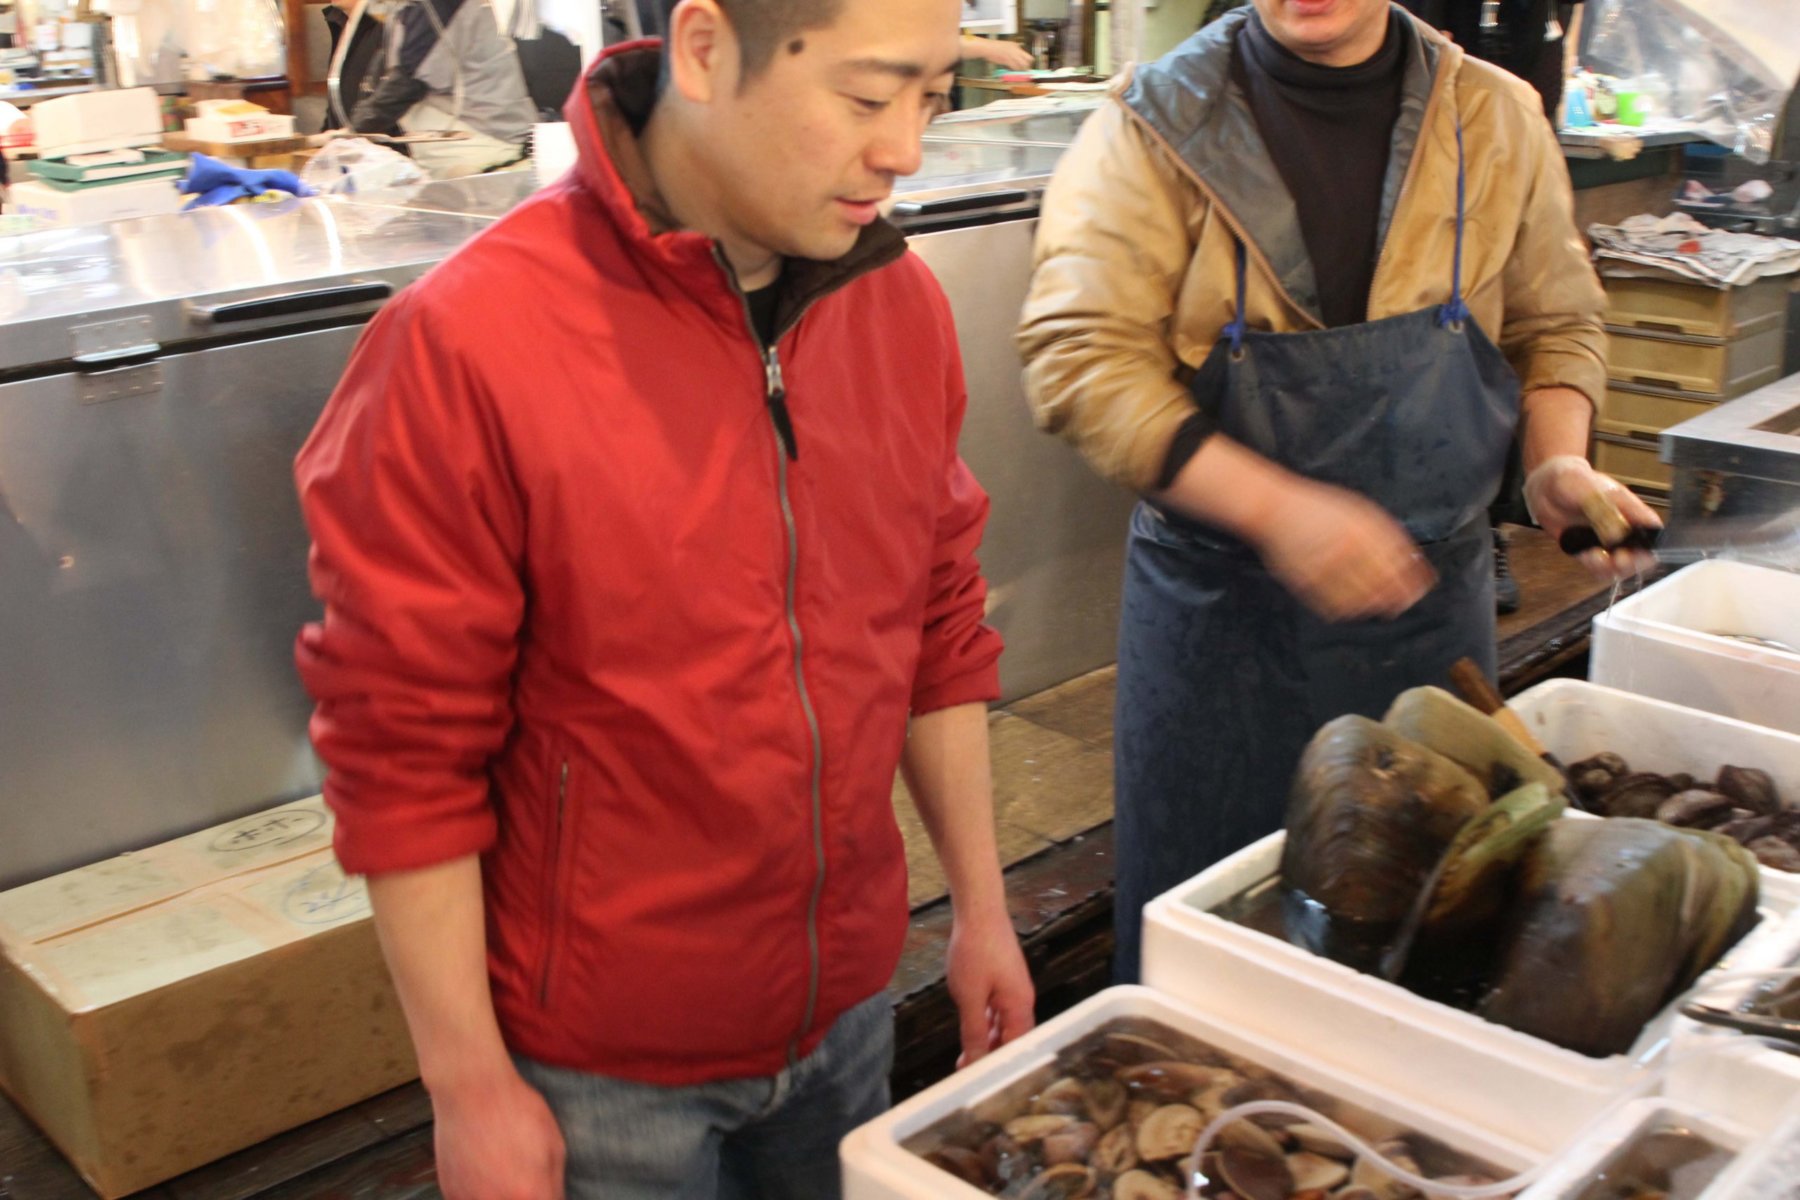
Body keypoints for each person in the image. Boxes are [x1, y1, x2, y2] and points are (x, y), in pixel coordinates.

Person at [293, 0, 1035, 1196]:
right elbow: (403, 751)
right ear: (703, 51)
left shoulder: (898, 306)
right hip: (602, 1074)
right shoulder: (467, 343)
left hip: (849, 1004)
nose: (904, 148)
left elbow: (937, 628)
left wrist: (983, 915)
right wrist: (468, 1084)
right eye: (865, 96)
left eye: (933, 97)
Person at [1016, 0, 1658, 983]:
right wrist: (1273, 509)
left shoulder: (1491, 115)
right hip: (1221, 645)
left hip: (1429, 637)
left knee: (1417, 948)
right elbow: (1078, 360)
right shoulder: (1152, 124)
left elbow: (1556, 319)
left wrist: (1553, 461)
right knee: (1216, 962)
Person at [347, 0, 537, 177]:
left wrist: (350, 135)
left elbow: (407, 84)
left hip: (483, 155)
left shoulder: (438, 6)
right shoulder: (413, 9)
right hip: (466, 155)